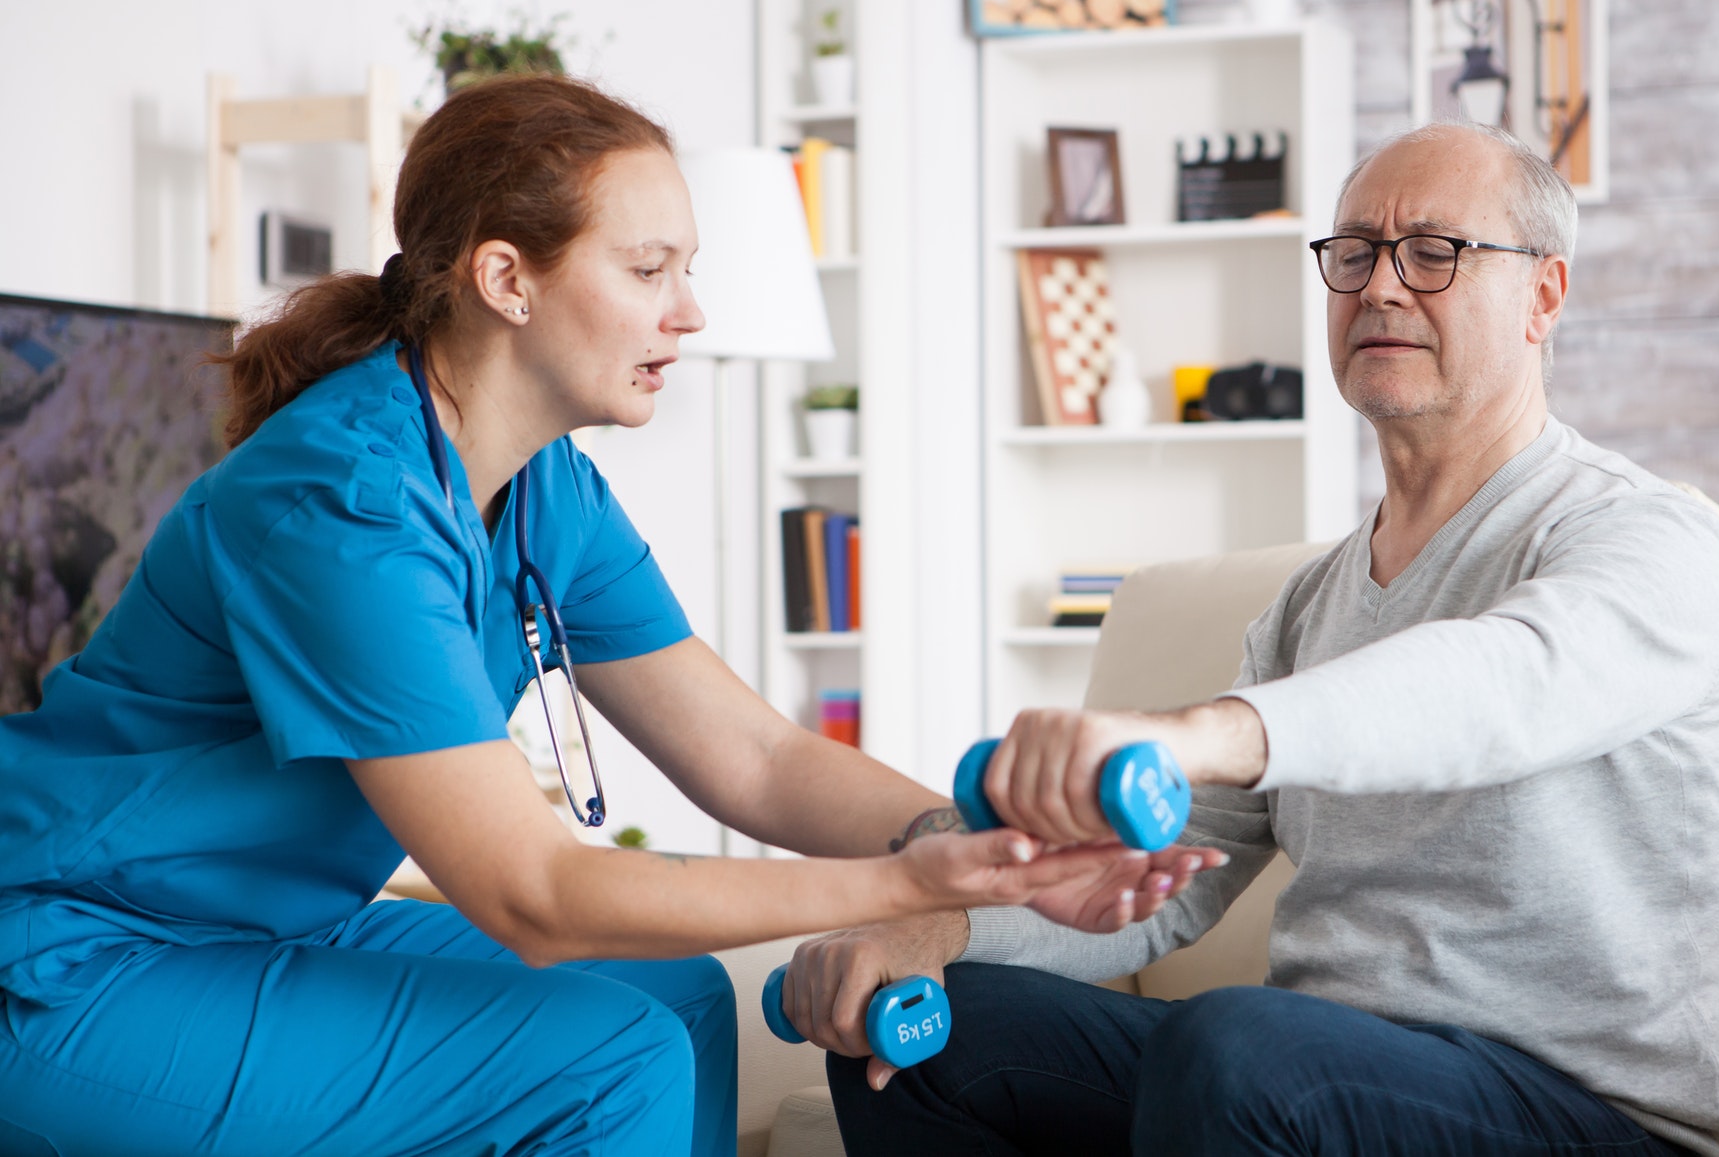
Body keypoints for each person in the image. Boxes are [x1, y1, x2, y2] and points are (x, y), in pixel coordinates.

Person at [0, 75, 1217, 1157]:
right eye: (649, 270)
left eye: (686, 270)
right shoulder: (342, 502)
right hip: (75, 961)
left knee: (674, 1000)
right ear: (504, 279)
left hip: (244, 937)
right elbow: (529, 893)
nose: (688, 312)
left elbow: (756, 756)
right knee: (608, 1059)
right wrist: (911, 887)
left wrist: (971, 842)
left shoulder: (546, 491)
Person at [796, 121, 1719, 1157]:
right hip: (1329, 1081)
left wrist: (1194, 733)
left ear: (1543, 295)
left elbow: (1499, 683)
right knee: (924, 1030)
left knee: (1237, 1049)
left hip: (1591, 1118)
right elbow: (1160, 886)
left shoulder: (1647, 538)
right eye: (1353, 253)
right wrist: (927, 930)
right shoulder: (1311, 604)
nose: (1381, 287)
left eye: (1433, 252)